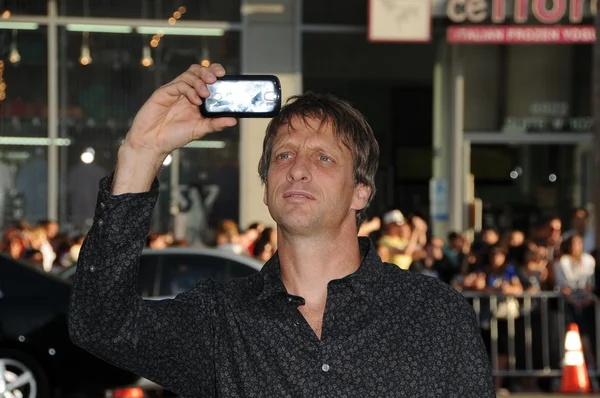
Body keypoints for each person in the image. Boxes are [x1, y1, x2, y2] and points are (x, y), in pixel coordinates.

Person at [69, 64, 494, 397]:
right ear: (267, 189)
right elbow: (100, 324)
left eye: (324, 158)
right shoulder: (221, 322)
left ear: (360, 192)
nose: (299, 170)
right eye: (284, 155)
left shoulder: (434, 316)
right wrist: (142, 152)